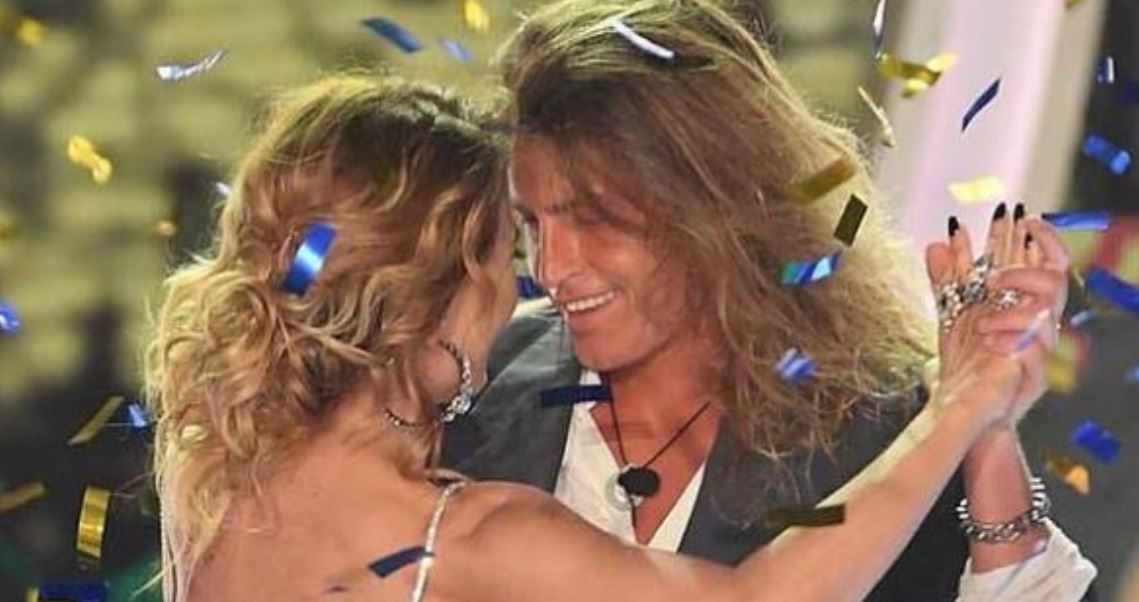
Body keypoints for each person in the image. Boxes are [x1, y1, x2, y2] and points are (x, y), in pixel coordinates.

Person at [148, 74, 1055, 602]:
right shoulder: (470, 533)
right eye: (513, 246)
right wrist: (960, 403)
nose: (539, 276)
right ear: (447, 286)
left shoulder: (215, 478)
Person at [444, 0, 1098, 600]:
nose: (552, 268)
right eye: (532, 225)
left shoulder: (883, 429)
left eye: (593, 219)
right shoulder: (464, 395)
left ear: (712, 200)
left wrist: (984, 423)